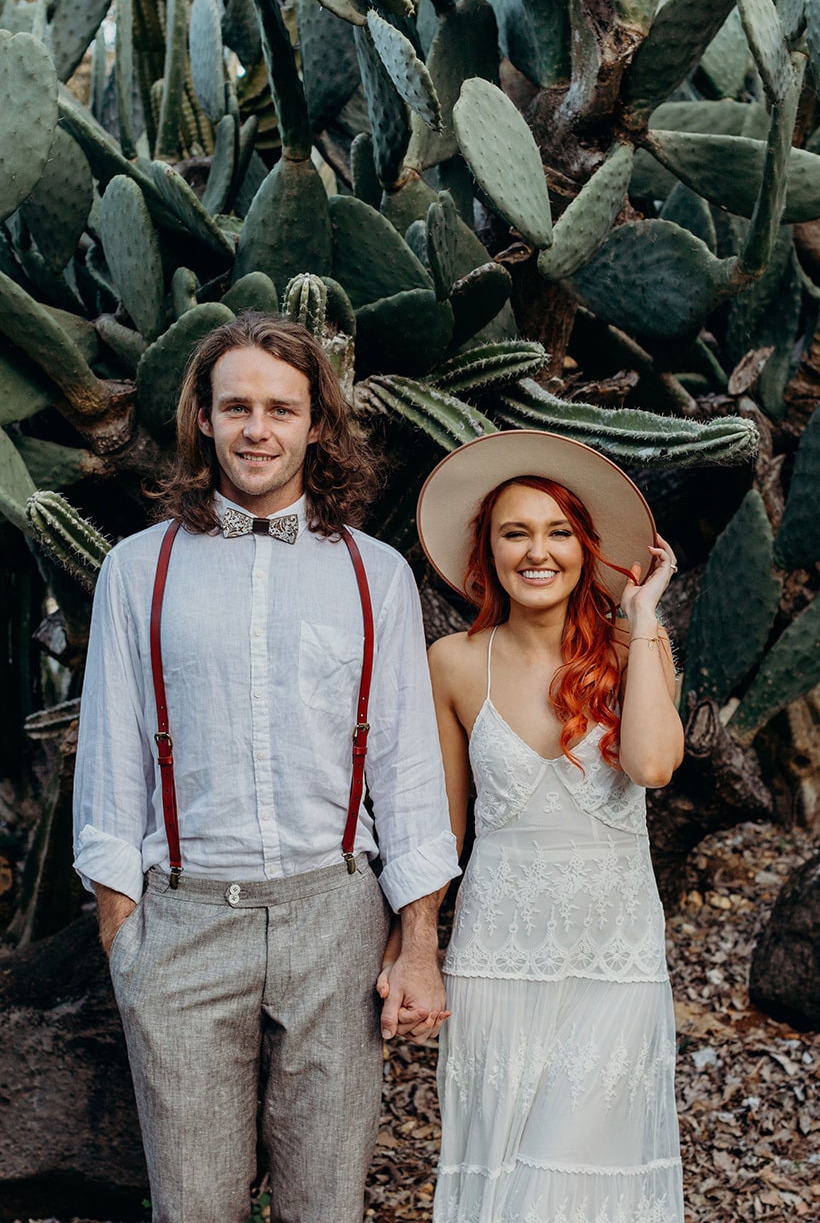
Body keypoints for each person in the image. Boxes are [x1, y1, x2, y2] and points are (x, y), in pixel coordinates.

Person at [73, 313, 460, 1223]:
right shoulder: (138, 571)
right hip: (182, 920)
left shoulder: (376, 576)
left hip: (335, 919)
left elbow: (406, 772)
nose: (258, 429)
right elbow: (112, 761)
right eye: (236, 406)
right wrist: (122, 935)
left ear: (316, 425)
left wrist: (419, 945)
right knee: (193, 1208)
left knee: (325, 1205)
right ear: (201, 420)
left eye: (281, 409)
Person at [415, 429, 685, 1222]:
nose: (538, 552)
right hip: (498, 958)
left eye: (558, 531)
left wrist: (641, 619)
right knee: (503, 1182)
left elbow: (652, 766)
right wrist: (416, 949)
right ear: (488, 552)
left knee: (574, 1176)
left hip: (614, 959)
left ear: (585, 547)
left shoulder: (639, 646)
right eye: (516, 532)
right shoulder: (454, 663)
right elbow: (444, 827)